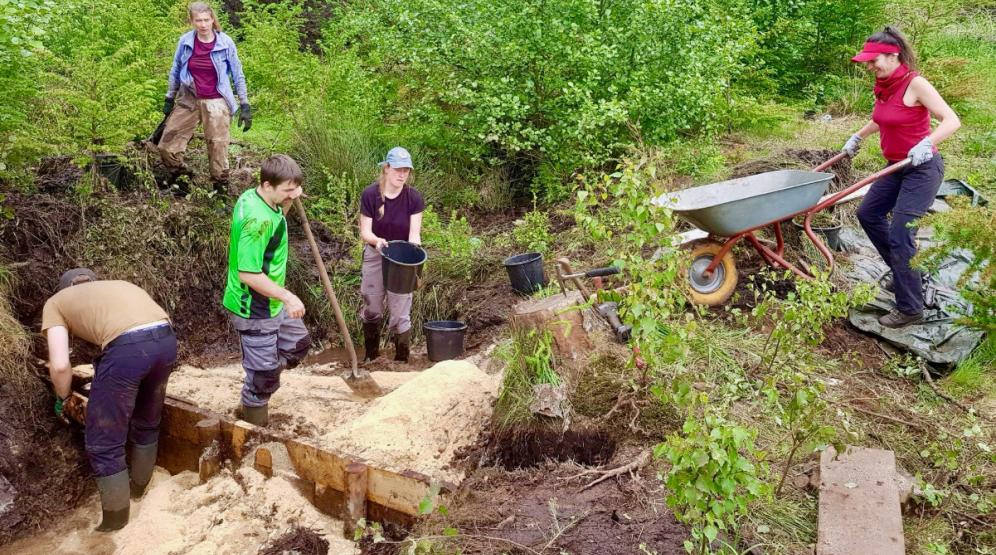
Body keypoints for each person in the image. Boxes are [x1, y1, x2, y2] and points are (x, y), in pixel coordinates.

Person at [842, 26, 960, 328]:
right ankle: (905, 272)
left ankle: (910, 308)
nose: (869, 67)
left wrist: (927, 143)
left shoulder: (916, 83)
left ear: (893, 55)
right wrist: (858, 136)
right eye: (867, 62)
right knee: (868, 213)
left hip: (922, 168)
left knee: (901, 234)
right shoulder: (885, 84)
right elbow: (882, 118)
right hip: (895, 165)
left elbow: (951, 120)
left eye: (873, 61)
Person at [42, 268, 177, 532]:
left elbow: (59, 366)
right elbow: (157, 321)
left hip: (128, 348)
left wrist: (63, 398)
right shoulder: (120, 285)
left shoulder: (56, 303)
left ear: (64, 288)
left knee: (104, 442)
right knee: (147, 422)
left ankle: (116, 523)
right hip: (166, 341)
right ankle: (139, 491)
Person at [223, 154, 310, 426]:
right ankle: (253, 418)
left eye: (293, 189)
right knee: (263, 379)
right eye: (287, 190)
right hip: (254, 307)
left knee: (298, 344)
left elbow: (275, 219)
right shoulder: (256, 221)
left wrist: (288, 199)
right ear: (267, 184)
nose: (292, 194)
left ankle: (263, 375)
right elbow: (248, 273)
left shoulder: (255, 196)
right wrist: (287, 295)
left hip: (271, 302)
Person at [159, 2, 250, 191]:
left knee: (218, 146)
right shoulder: (185, 42)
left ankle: (220, 188)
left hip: (216, 100)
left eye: (206, 20)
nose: (203, 24)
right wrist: (170, 97)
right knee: (167, 145)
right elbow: (175, 70)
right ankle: (181, 178)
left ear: (212, 20)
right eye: (198, 20)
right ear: (192, 21)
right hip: (189, 98)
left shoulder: (225, 43)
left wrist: (245, 104)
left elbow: (238, 73)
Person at [358, 147, 425, 363]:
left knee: (400, 313)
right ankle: (371, 357)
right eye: (397, 169)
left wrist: (414, 251)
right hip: (376, 253)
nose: (402, 175)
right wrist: (377, 241)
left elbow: (415, 234)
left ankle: (401, 361)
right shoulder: (370, 195)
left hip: (401, 260)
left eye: (406, 170)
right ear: (386, 168)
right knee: (372, 307)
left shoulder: (414, 198)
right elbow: (365, 232)